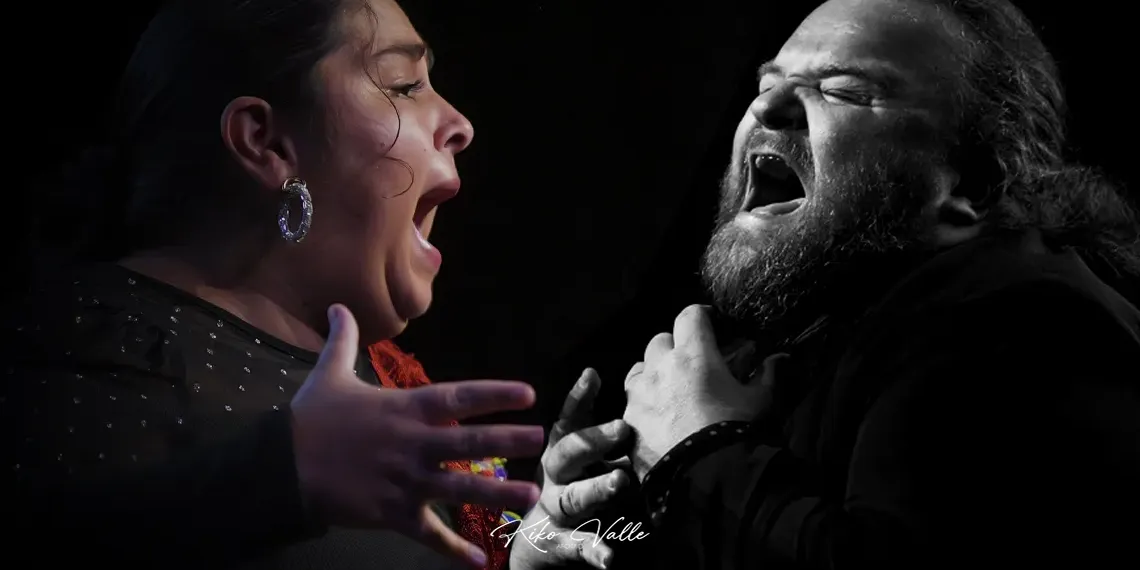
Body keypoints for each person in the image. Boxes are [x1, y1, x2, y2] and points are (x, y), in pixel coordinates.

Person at [1, 1, 628, 569]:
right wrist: (278, 476)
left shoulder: (384, 376)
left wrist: (532, 545)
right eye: (404, 85)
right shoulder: (69, 353)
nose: (459, 123)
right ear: (266, 142)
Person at [615, 0, 1140, 567]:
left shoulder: (1029, 329)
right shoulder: (836, 329)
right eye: (767, 82)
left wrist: (697, 453)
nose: (767, 106)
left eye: (842, 90)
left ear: (973, 187)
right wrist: (576, 533)